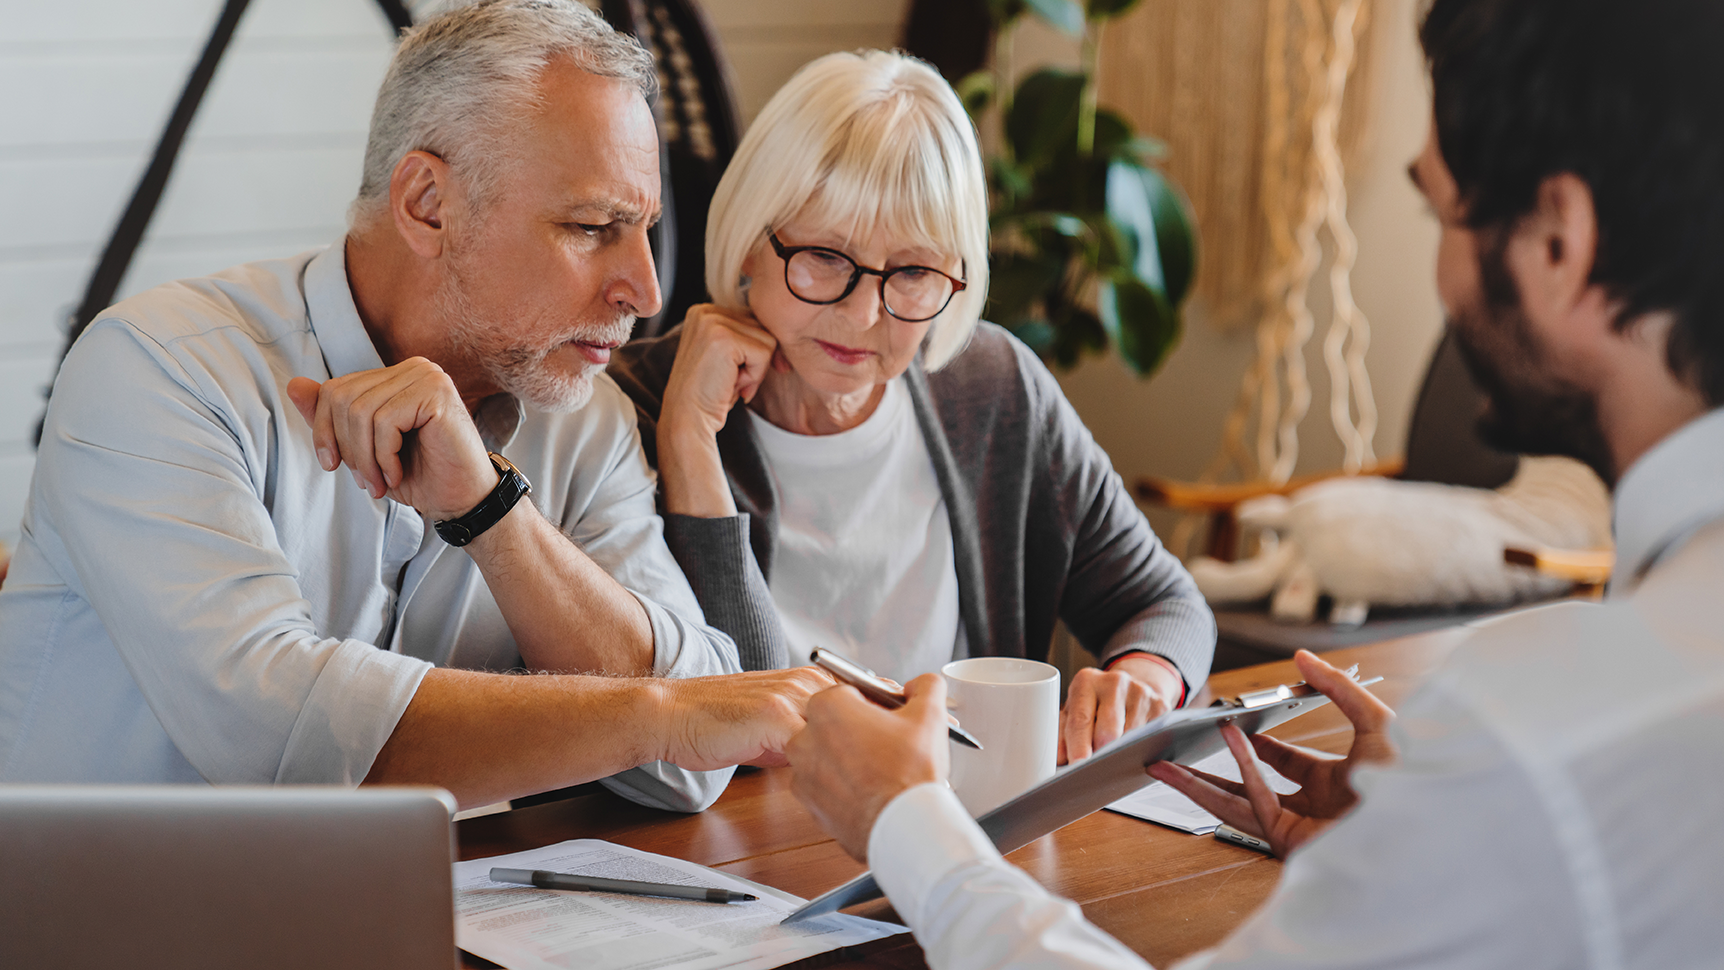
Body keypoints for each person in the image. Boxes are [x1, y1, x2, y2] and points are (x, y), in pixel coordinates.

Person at [784, 0, 1724, 965]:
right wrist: (1416, 844)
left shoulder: (1546, 736)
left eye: (1439, 212)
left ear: (1558, 240)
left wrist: (909, 831)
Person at [0, 0, 832, 811]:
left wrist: (494, 514)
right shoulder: (160, 370)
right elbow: (277, 739)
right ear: (427, 204)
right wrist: (656, 714)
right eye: (590, 226)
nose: (644, 291)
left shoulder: (586, 419)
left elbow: (692, 770)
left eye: (642, 228)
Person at [608, 50, 1215, 762]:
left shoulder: (990, 385)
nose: (865, 314)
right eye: (826, 257)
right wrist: (688, 445)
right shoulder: (635, 405)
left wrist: (1144, 675)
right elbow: (726, 718)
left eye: (915, 271)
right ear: (748, 239)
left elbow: (1165, 606)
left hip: (960, 830)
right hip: (741, 851)